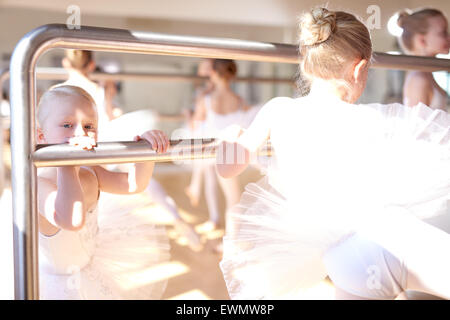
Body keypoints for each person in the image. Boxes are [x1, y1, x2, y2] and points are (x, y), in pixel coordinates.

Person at [217, 8, 450, 300]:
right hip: (387, 238)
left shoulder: (278, 110)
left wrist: (229, 140)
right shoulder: (371, 119)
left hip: (341, 262)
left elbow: (228, 168)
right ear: (359, 68)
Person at [37, 84, 171, 299]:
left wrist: (147, 152)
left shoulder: (92, 172)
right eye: (67, 125)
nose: (80, 132)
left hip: (88, 269)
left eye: (89, 126)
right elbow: (71, 220)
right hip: (55, 285)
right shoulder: (39, 185)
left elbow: (133, 185)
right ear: (41, 135)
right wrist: (67, 165)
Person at [62, 50, 202, 251]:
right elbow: (108, 117)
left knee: (90, 186)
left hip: (82, 146)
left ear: (66, 63)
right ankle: (176, 216)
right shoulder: (99, 88)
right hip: (107, 140)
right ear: (91, 66)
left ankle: (85, 237)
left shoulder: (62, 90)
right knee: (141, 179)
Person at [188, 59, 251, 236]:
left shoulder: (206, 100)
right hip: (230, 154)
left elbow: (194, 125)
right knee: (233, 198)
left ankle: (226, 235)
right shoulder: (239, 101)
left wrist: (188, 117)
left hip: (212, 152)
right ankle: (229, 238)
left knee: (211, 179)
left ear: (214, 74)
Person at [396, 8, 449, 111]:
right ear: (422, 40)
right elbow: (416, 126)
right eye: (443, 33)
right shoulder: (419, 78)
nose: (449, 37)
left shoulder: (425, 74)